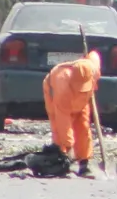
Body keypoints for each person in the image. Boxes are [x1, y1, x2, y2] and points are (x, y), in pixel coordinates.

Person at [42, 47, 102, 177]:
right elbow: (63, 122)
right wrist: (69, 147)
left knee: (83, 126)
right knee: (59, 128)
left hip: (82, 100)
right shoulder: (61, 84)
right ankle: (63, 158)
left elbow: (95, 55)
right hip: (56, 96)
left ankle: (84, 162)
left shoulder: (92, 69)